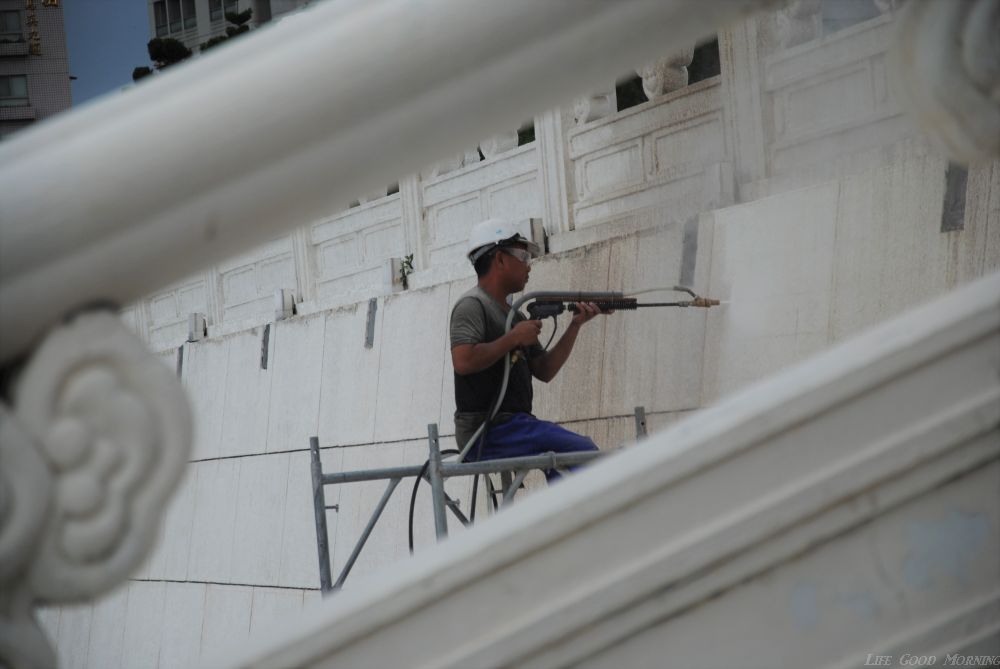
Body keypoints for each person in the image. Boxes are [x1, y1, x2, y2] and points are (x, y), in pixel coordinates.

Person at [450, 217, 603, 481]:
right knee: (582, 451)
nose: (528, 266)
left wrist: (576, 325)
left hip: (515, 427)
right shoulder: (472, 306)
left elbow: (544, 370)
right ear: (499, 259)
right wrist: (512, 339)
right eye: (522, 255)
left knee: (565, 461)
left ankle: (567, 520)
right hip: (487, 432)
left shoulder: (515, 316)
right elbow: (463, 361)